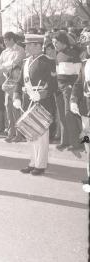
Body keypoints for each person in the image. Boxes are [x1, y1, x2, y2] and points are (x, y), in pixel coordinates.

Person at [13, 34, 57, 175]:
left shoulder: (47, 62)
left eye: (28, 45)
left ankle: (41, 164)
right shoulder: (26, 62)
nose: (26, 47)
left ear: (38, 45)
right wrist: (16, 96)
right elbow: (19, 83)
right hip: (28, 101)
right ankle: (32, 162)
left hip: (42, 102)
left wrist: (41, 94)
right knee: (31, 134)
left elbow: (53, 85)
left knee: (42, 135)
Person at [52, 31, 84, 157]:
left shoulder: (73, 54)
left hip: (69, 88)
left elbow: (79, 74)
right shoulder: (58, 54)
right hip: (59, 88)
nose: (54, 44)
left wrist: (70, 87)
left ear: (63, 42)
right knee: (62, 116)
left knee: (70, 115)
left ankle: (78, 143)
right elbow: (58, 72)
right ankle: (65, 141)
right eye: (53, 42)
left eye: (56, 42)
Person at [0, 32, 26, 143]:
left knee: (16, 108)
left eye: (6, 40)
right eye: (4, 40)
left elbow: (15, 63)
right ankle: (11, 132)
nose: (5, 42)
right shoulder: (4, 52)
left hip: (17, 81)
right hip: (7, 82)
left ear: (12, 39)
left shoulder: (20, 50)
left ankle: (19, 134)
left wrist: (3, 68)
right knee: (8, 108)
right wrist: (4, 67)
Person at [71, 32, 90, 183]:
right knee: (87, 141)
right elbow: (78, 84)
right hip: (86, 107)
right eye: (88, 46)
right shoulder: (84, 64)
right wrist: (73, 100)